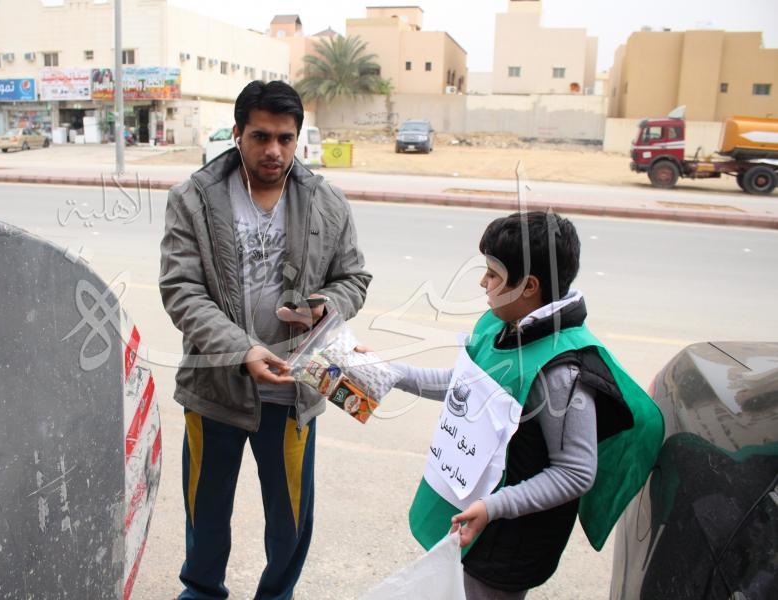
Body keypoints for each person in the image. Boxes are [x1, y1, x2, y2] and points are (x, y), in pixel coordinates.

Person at [159, 80, 371, 600]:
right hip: (216, 387)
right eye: (260, 136)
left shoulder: (326, 202)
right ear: (237, 133)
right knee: (206, 511)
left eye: (285, 138)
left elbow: (353, 279)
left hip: (294, 392)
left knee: (290, 520)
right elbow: (181, 290)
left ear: (297, 138)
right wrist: (242, 350)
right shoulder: (193, 199)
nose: (273, 150)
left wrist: (325, 306)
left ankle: (276, 595)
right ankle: (201, 592)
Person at [392, 211, 662, 600]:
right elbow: (465, 387)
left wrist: (494, 507)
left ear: (529, 286)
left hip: (507, 544)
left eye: (492, 274)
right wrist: (393, 374)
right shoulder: (505, 324)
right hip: (479, 517)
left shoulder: (563, 373)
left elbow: (575, 473)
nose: (483, 282)